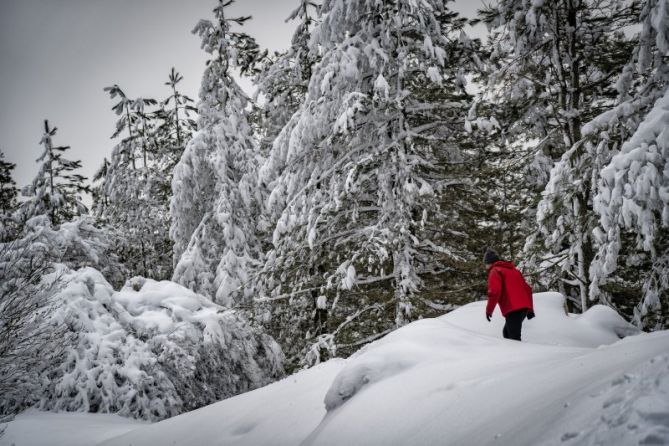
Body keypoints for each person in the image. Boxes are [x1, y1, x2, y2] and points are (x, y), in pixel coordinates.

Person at [484, 247, 535, 341]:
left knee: (514, 339)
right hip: (524, 308)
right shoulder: (515, 271)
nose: (485, 267)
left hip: (513, 308)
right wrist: (530, 309)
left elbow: (494, 291)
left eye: (485, 264)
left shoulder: (495, 271)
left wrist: (489, 310)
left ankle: (521, 355)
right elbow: (528, 289)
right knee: (507, 333)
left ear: (489, 263)